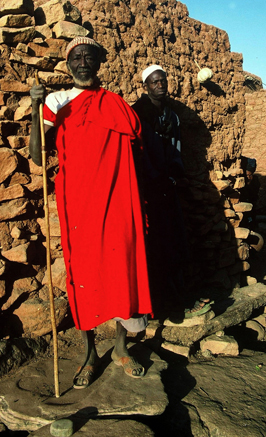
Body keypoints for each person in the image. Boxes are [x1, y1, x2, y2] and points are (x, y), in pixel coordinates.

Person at [29, 37, 152, 388]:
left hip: (117, 199)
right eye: (76, 57)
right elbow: (39, 156)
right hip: (78, 200)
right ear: (69, 64)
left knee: (121, 268)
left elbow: (136, 148)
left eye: (89, 57)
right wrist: (36, 113)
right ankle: (88, 354)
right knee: (83, 273)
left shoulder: (115, 103)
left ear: (99, 63)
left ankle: (120, 347)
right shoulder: (58, 100)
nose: (83, 62)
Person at [132, 65, 211, 318]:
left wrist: (175, 176)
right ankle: (155, 304)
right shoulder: (137, 113)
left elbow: (175, 151)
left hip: (168, 188)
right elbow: (137, 153)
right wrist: (155, 178)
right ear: (146, 86)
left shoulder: (172, 116)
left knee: (174, 241)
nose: (160, 86)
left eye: (163, 81)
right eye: (155, 82)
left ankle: (176, 299)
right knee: (151, 245)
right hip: (146, 188)